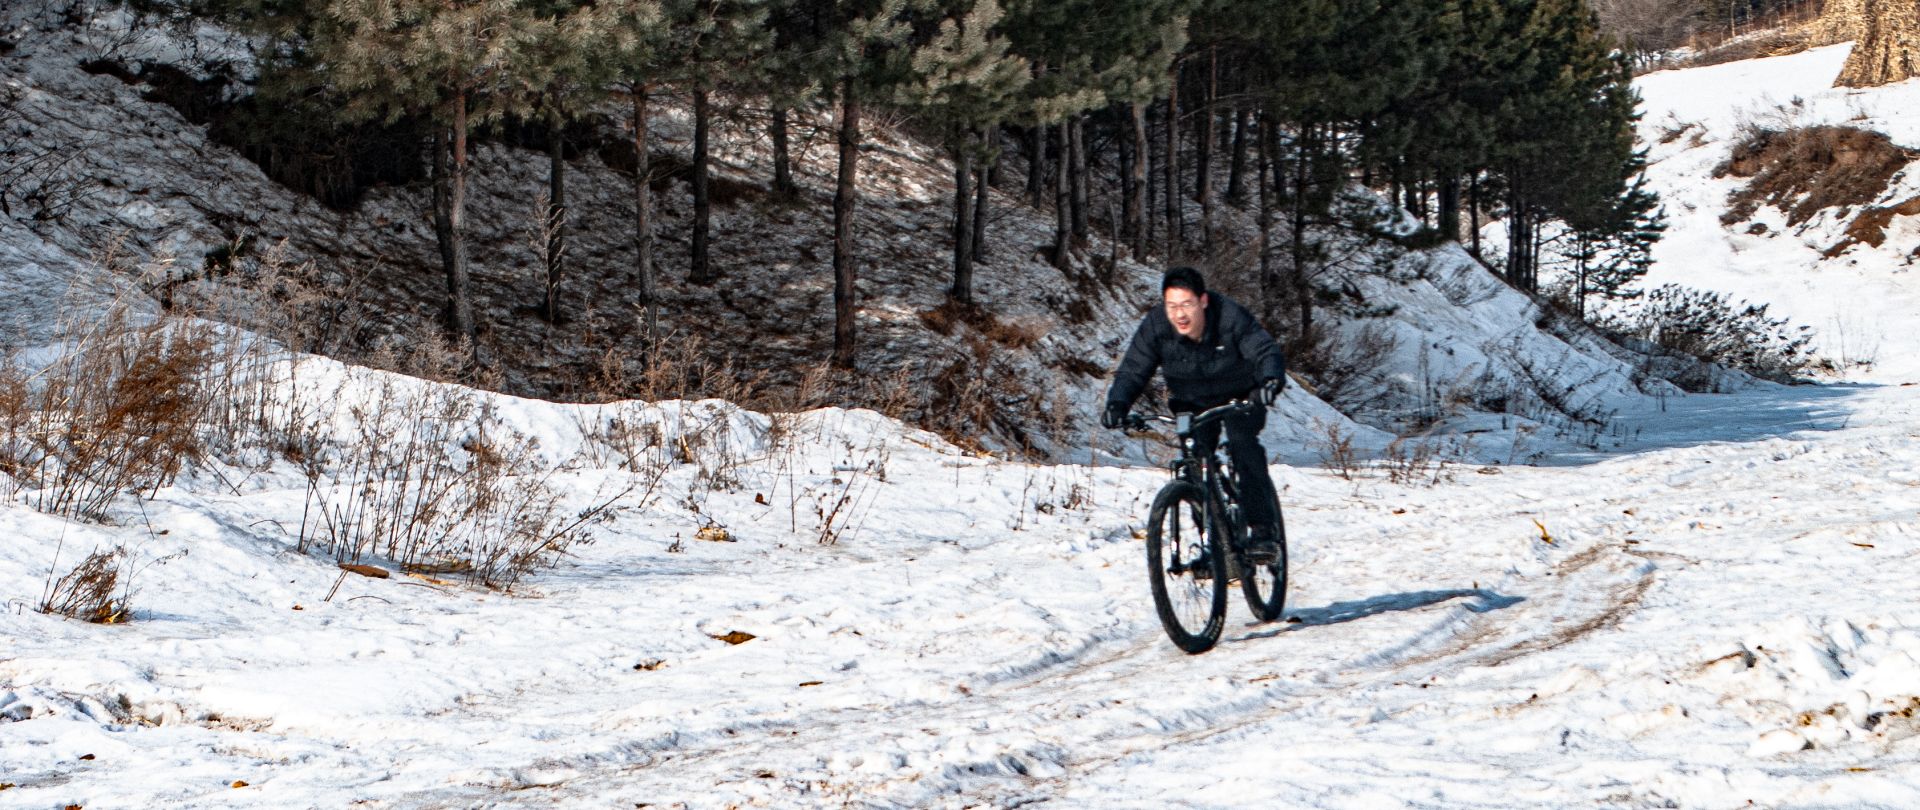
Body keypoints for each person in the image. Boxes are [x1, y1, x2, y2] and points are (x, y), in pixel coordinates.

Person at [1101, 266, 1287, 565]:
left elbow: (1264, 350)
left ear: (1203, 301)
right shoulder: (1156, 325)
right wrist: (1117, 404)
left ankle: (1263, 531)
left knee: (1243, 446)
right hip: (1190, 399)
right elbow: (1135, 367)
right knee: (1193, 463)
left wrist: (1269, 381)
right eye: (1172, 306)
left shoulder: (1229, 316)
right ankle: (1212, 546)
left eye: (1186, 304)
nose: (1180, 314)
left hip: (1239, 394)